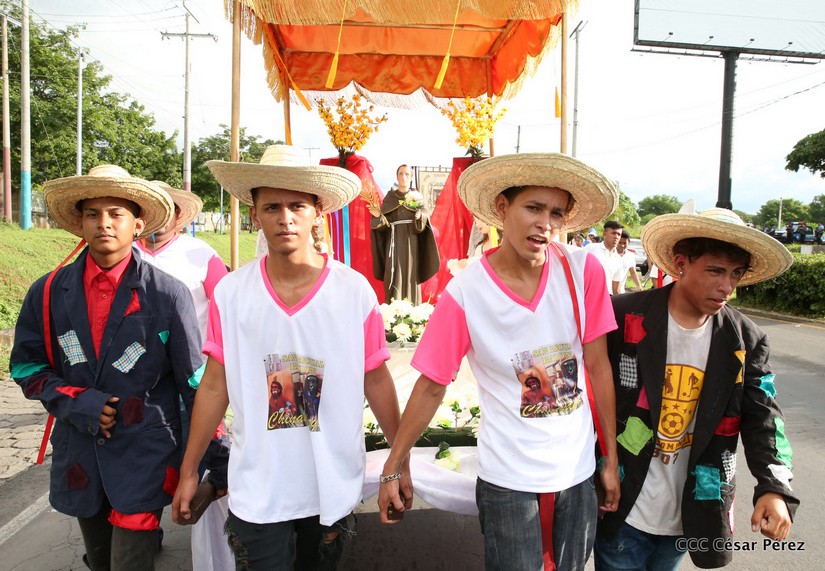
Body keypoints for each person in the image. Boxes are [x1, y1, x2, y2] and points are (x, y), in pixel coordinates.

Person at [378, 152, 622, 571]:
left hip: (576, 472)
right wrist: (393, 463)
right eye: (533, 208)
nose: (545, 223)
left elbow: (599, 368)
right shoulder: (466, 293)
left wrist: (610, 460)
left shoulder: (584, 271)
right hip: (508, 482)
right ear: (502, 207)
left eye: (556, 213)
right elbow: (432, 385)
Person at [173, 144, 411, 570]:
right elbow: (214, 385)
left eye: (297, 206)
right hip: (258, 486)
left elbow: (375, 378)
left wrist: (398, 463)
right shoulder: (232, 294)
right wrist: (190, 470)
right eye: (272, 207)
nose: (285, 218)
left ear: (317, 212)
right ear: (254, 215)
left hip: (330, 484)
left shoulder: (353, 291)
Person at [10, 165, 228, 571]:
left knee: (130, 561)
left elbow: (195, 382)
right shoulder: (48, 291)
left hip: (146, 453)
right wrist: (77, 402)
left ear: (137, 225)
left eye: (116, 214)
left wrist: (216, 457)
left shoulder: (166, 294)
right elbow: (26, 367)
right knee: (100, 560)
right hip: (80, 454)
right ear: (80, 224)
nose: (104, 223)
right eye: (93, 214)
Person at [595, 206, 799, 570]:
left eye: (735, 274)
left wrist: (774, 487)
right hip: (623, 501)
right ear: (681, 263)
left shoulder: (745, 339)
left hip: (691, 511)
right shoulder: (624, 316)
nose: (727, 287)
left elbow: (765, 418)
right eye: (715, 271)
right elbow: (589, 391)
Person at [135, 181, 232, 570]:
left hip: (195, 376)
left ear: (178, 215)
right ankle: (145, 529)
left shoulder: (201, 255)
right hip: (140, 380)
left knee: (201, 449)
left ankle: (208, 518)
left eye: (168, 207)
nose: (160, 216)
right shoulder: (124, 253)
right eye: (151, 207)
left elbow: (227, 310)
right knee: (145, 456)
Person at [370, 163, 440, 303]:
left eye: (407, 174)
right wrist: (378, 216)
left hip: (412, 243)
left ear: (411, 177)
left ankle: (413, 308)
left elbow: (424, 224)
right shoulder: (390, 198)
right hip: (394, 243)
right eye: (401, 173)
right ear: (397, 176)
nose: (403, 177)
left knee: (411, 273)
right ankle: (393, 309)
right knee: (393, 273)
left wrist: (420, 217)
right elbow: (384, 226)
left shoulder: (417, 198)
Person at [585, 220, 625, 295]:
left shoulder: (618, 260)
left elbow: (616, 288)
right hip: (587, 295)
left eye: (619, 234)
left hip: (606, 297)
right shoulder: (590, 249)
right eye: (613, 233)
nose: (616, 237)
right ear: (604, 234)